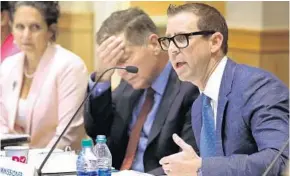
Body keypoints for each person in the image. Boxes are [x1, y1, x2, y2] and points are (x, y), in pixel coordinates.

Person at [158, 3, 289, 176]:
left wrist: (201, 168)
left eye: (181, 38)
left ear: (214, 42)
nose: (173, 49)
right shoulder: (199, 106)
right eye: (168, 41)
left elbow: (280, 161)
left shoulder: (258, 87)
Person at [83, 7, 199, 175]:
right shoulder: (128, 84)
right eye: (114, 64)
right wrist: (102, 78)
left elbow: (188, 163)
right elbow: (98, 131)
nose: (121, 71)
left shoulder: (189, 89)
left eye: (123, 59)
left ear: (154, 44)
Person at [0, 1, 88, 150]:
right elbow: (1, 123)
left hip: (56, 165)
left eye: (35, 27)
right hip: (13, 162)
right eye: (20, 27)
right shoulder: (8, 65)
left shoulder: (70, 66)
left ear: (50, 31)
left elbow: (67, 135)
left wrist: (35, 168)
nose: (26, 35)